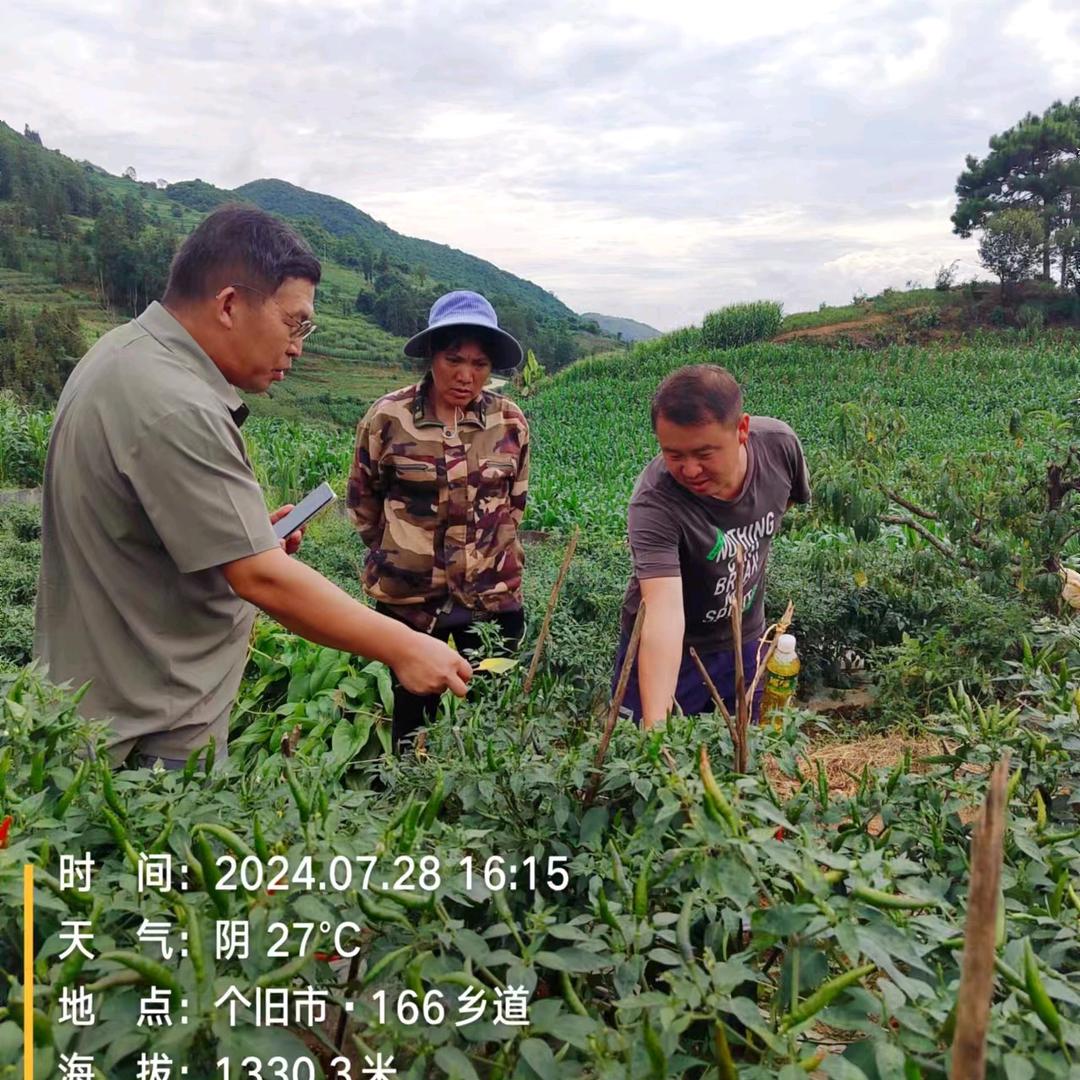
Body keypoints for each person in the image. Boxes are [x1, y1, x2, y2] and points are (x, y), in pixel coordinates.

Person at [34, 205, 471, 769]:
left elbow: (141, 531)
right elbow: (260, 576)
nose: (299, 345)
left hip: (99, 704)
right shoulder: (177, 404)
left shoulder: (123, 355)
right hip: (143, 735)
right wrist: (403, 646)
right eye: (294, 323)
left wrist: (238, 536)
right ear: (230, 304)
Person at [347, 290, 529, 751]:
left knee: (490, 716)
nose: (467, 376)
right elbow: (364, 500)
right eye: (454, 360)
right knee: (411, 716)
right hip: (411, 602)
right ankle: (408, 798)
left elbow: (515, 502)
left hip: (492, 598)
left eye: (480, 364)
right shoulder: (388, 417)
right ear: (431, 355)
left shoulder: (509, 422)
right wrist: (401, 551)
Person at [615, 364, 810, 729]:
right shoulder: (655, 501)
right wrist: (654, 735)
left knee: (737, 756)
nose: (689, 470)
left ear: (741, 430)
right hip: (669, 648)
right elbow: (663, 612)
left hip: (744, 639)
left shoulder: (780, 448)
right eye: (673, 454)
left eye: (704, 454)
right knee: (645, 752)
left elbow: (782, 503)